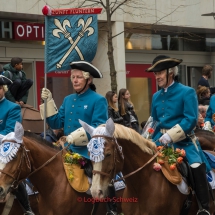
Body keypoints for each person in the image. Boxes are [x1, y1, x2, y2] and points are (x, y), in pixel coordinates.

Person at [40, 61, 117, 215]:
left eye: (79, 77)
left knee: (100, 175)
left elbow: (98, 128)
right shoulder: (68, 99)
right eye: (73, 77)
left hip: (88, 152)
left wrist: (73, 137)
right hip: (65, 150)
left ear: (89, 80)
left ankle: (111, 209)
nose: (74, 80)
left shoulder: (98, 100)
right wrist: (48, 102)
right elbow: (56, 122)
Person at [146, 55, 211, 215]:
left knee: (195, 166)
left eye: (159, 73)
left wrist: (171, 135)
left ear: (170, 72)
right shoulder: (156, 96)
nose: (157, 77)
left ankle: (204, 208)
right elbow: (153, 121)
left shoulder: (187, 92)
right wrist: (145, 138)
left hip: (183, 142)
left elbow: (190, 119)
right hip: (159, 142)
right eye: (155, 74)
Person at [0, 75, 35, 215]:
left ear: (3, 89)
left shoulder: (13, 107)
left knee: (12, 172)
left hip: (6, 148)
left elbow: (10, 132)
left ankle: (27, 209)